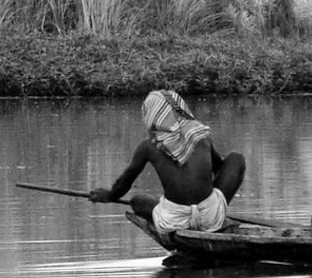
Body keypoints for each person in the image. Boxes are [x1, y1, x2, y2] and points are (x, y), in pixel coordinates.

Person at [90, 90, 246, 233]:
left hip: (173, 222)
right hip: (210, 218)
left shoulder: (148, 146)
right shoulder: (200, 134)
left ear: (151, 116)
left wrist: (108, 195)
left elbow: (124, 184)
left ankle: (187, 215)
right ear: (181, 109)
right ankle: (213, 215)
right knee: (236, 159)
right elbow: (219, 169)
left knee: (136, 201)